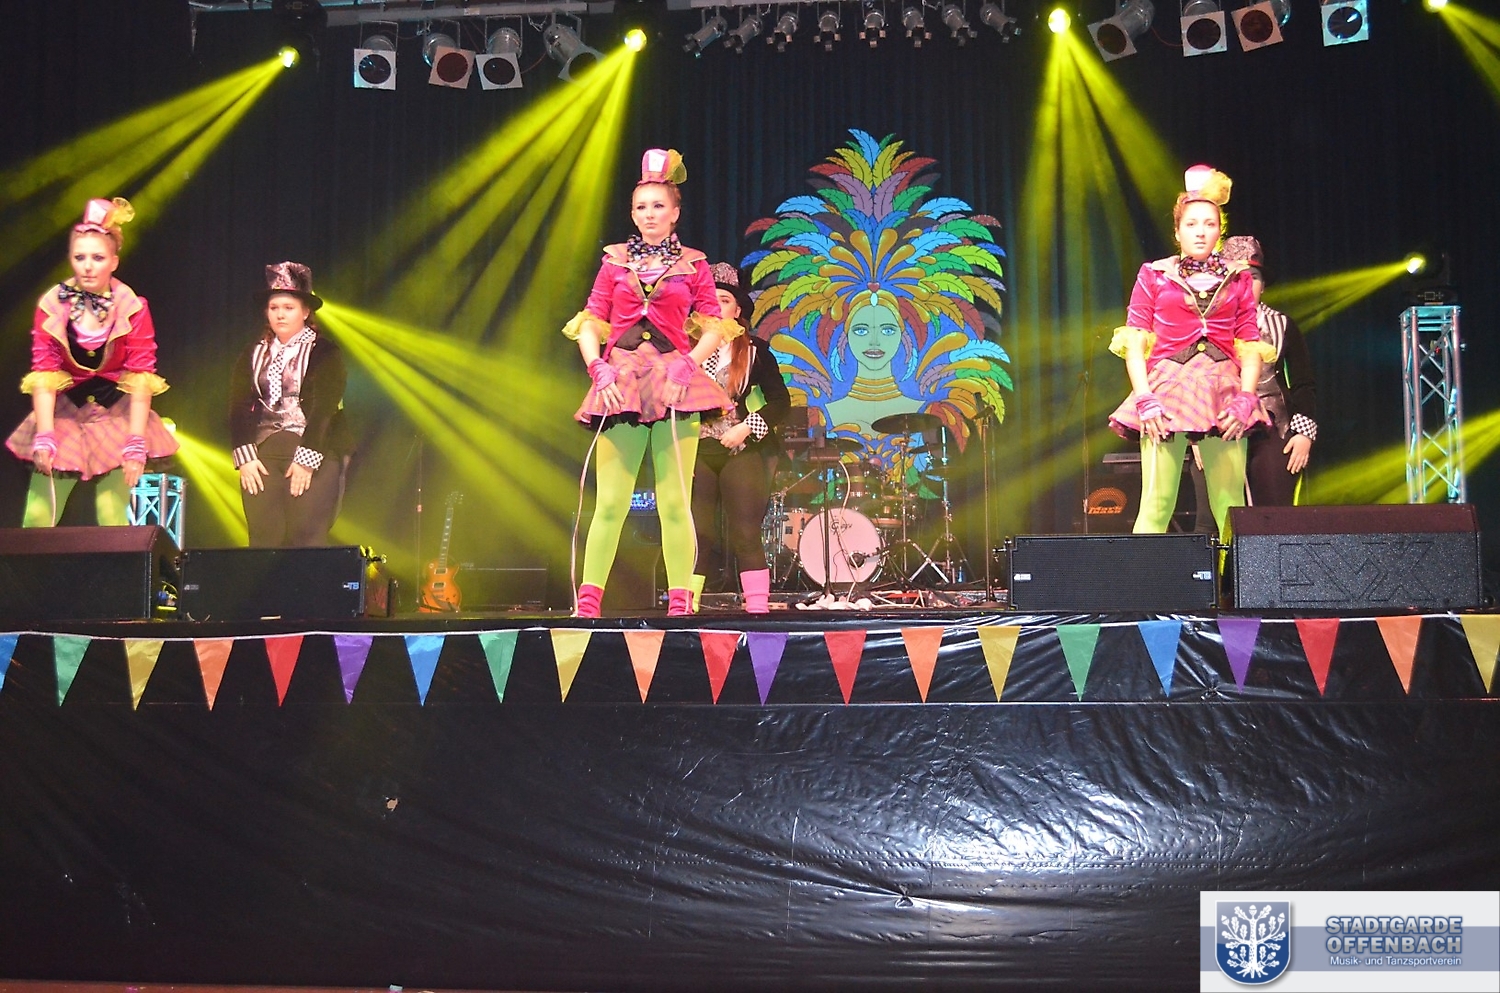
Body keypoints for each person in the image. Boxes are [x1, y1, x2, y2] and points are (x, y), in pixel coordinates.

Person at [564, 149, 738, 617]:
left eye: (658, 205)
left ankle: (681, 602)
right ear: (632, 213)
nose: (649, 214)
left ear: (675, 212)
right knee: (610, 502)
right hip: (621, 382)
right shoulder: (614, 261)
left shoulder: (694, 264)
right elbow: (591, 318)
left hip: (674, 384)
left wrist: (689, 364)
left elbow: (714, 323)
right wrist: (597, 366)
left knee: (675, 502)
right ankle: (588, 604)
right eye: (641, 206)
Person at [1107, 166, 1273, 542]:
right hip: (1167, 389)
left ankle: (1237, 578)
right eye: (1192, 224)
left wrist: (1247, 398)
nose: (1200, 231)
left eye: (1209, 224)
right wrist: (1144, 397)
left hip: (1222, 389)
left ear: (1219, 230)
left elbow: (1249, 342)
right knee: (1156, 502)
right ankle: (1145, 580)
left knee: (1230, 504)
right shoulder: (1154, 274)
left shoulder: (1238, 278)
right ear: (1178, 231)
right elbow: (1135, 341)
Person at [6, 197, 177, 526]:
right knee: (38, 516)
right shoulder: (53, 304)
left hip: (116, 415)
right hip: (66, 414)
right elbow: (44, 372)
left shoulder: (132, 306)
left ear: (114, 261)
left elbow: (141, 374)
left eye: (97, 258)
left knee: (112, 516)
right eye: (79, 257)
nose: (87, 266)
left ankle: (116, 565)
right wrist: (45, 435)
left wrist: (135, 443)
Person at [691, 263, 792, 613]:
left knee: (746, 533)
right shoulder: (685, 350)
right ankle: (686, 608)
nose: (716, 307)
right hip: (695, 450)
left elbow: (780, 402)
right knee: (697, 535)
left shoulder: (754, 350)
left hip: (739, 447)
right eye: (710, 300)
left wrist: (746, 428)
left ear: (737, 311)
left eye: (724, 301)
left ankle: (758, 610)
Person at [229, 262, 352, 547]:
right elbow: (237, 406)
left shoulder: (325, 352)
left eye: (288, 307)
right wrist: (245, 456)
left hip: (314, 448)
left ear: (305, 312)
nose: (280, 314)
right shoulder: (253, 352)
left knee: (306, 537)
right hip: (264, 453)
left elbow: (325, 407)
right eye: (274, 308)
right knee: (263, 539)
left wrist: (307, 460)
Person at [1220, 236, 1318, 507]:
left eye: (1253, 277)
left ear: (1263, 285)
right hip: (1218, 427)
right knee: (1219, 515)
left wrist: (1304, 433)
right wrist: (1194, 438)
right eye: (1236, 277)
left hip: (1272, 426)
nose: (1245, 284)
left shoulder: (1282, 324)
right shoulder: (1207, 325)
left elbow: (1303, 382)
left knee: (1273, 510)